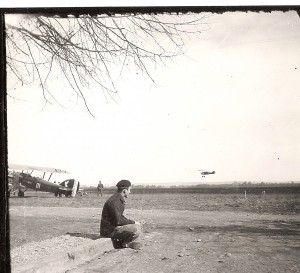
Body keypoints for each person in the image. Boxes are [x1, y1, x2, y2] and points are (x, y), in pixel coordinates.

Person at [100, 179, 142, 249]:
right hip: (109, 231)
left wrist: (132, 222)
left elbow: (119, 217)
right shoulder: (114, 201)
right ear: (124, 191)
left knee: (136, 227)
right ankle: (122, 243)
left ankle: (124, 243)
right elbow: (118, 220)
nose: (130, 192)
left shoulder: (117, 199)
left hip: (112, 228)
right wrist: (133, 222)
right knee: (136, 229)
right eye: (129, 190)